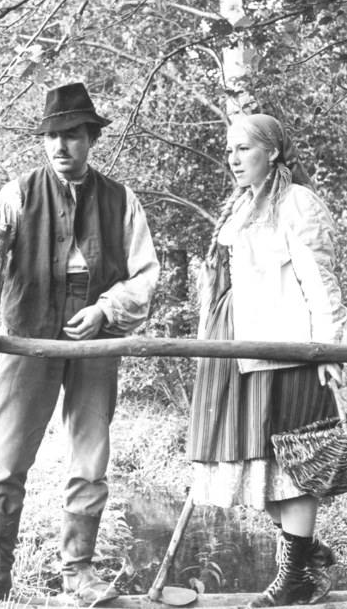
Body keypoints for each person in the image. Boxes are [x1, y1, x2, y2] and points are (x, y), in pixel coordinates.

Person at [0, 82, 160, 605]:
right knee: (6, 455)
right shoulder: (16, 194)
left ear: (91, 139)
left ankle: (78, 573)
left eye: (72, 136)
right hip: (29, 334)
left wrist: (106, 308)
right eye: (51, 137)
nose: (61, 147)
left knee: (90, 456)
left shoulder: (119, 199)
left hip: (96, 338)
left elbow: (146, 275)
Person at [189, 113, 346, 608]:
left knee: (292, 463)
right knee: (258, 462)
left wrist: (329, 349)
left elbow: (321, 283)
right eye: (229, 149)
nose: (232, 158)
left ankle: (295, 574)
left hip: (285, 351)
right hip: (237, 351)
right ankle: (310, 557)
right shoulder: (240, 205)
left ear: (273, 152)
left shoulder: (298, 203)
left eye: (244, 149)